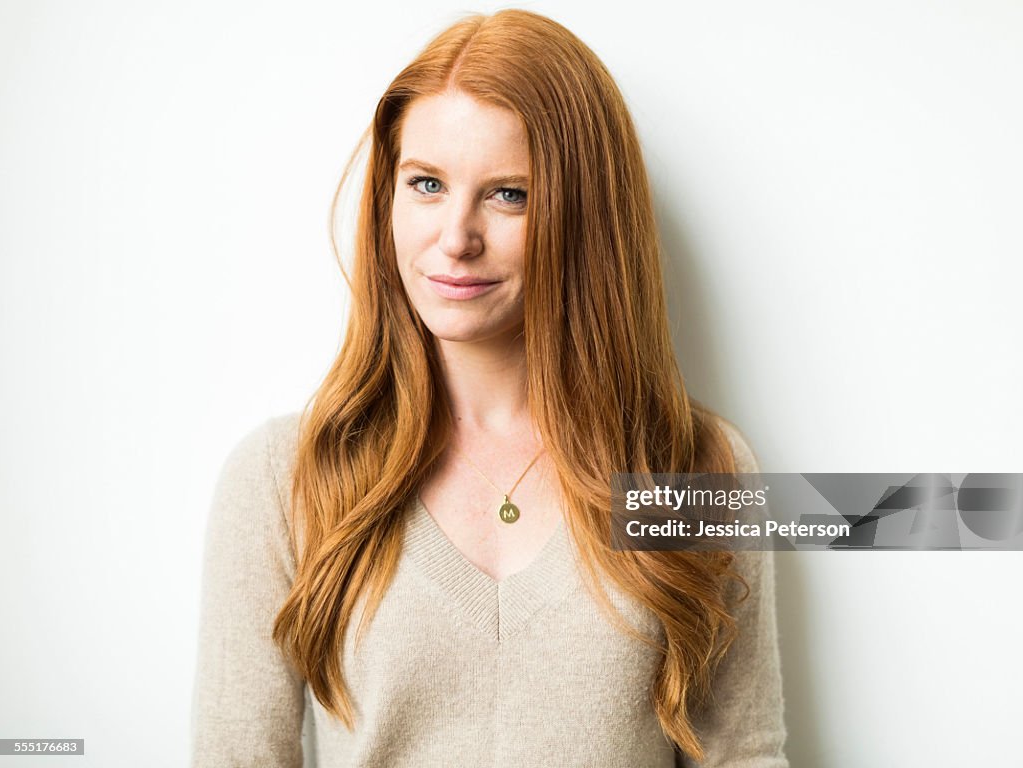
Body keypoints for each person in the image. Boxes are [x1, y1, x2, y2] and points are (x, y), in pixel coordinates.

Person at [191, 9, 788, 767]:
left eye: (509, 194)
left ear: (586, 218)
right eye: (427, 184)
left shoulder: (698, 466)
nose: (455, 237)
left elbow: (742, 754)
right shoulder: (280, 478)